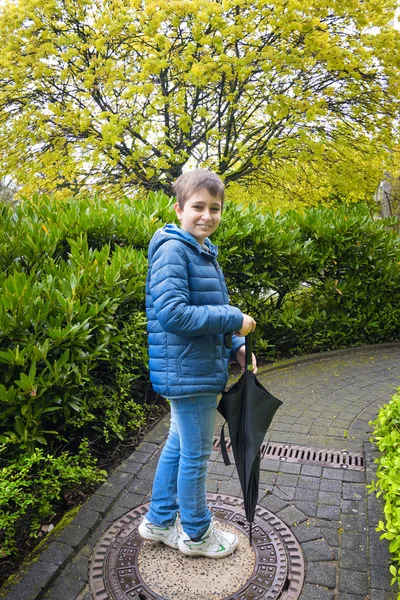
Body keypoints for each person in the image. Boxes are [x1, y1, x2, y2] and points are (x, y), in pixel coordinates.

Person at [138, 168, 257, 558]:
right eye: (198, 207)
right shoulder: (175, 250)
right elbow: (175, 314)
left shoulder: (201, 251)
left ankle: (158, 521)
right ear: (179, 209)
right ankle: (196, 534)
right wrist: (233, 318)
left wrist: (237, 344)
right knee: (195, 454)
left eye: (215, 208)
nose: (207, 215)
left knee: (179, 444)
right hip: (189, 373)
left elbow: (207, 311)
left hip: (196, 368)